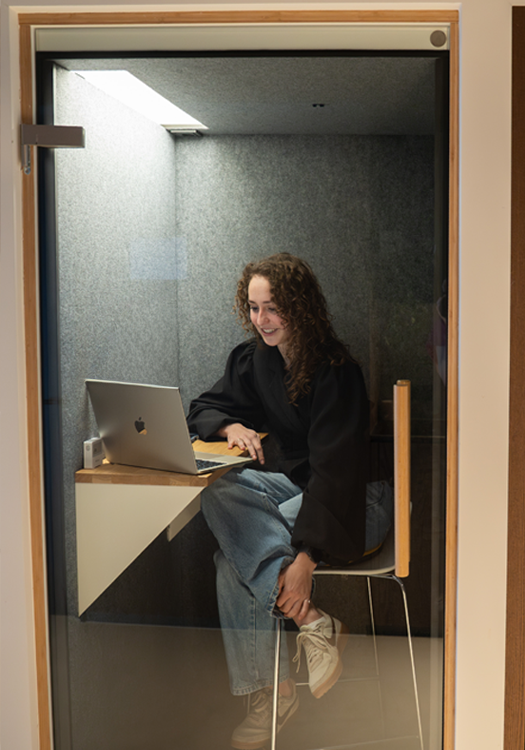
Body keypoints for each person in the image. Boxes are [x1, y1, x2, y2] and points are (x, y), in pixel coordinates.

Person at [187, 253, 393, 750]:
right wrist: (230, 425)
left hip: (357, 501)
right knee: (218, 487)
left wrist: (305, 559)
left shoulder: (337, 371)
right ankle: (310, 622)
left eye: (273, 307)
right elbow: (203, 407)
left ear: (300, 306)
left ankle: (272, 695)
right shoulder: (258, 359)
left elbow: (337, 475)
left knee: (231, 561)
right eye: (254, 307)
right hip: (302, 490)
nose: (262, 319)